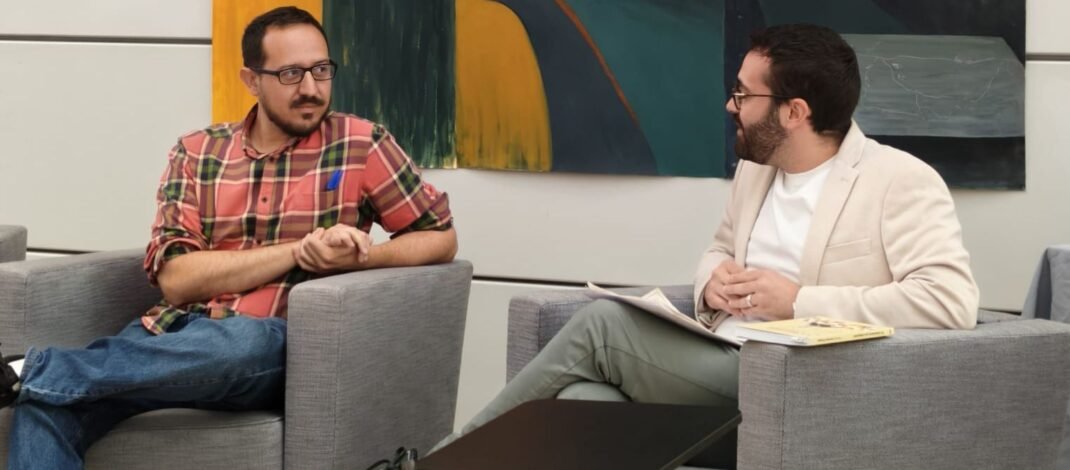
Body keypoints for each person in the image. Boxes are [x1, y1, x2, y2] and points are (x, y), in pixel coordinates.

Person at [434, 23, 978, 452]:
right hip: (725, 361)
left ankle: (443, 461)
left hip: (803, 382)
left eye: (743, 95)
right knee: (583, 400)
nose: (730, 106)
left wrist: (798, 301)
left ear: (794, 112)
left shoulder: (898, 180)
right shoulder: (757, 170)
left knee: (604, 324)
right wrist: (710, 282)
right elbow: (720, 248)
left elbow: (949, 302)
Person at [0, 6, 456, 468]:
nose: (311, 89)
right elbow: (177, 280)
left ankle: (27, 370)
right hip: (173, 336)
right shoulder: (198, 152)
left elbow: (439, 237)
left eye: (322, 70)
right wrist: (299, 250)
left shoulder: (361, 144)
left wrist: (358, 260)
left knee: (243, 343)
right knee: (46, 407)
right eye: (290, 73)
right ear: (251, 79)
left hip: (274, 346)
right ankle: (36, 379)